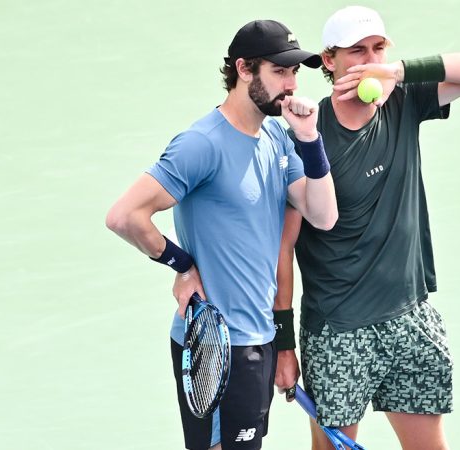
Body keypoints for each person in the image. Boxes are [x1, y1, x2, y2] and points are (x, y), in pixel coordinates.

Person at [106, 19, 338, 450]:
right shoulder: (201, 144)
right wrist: (182, 265)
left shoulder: (277, 135)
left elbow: (323, 215)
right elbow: (125, 216)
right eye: (279, 71)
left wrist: (309, 138)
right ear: (244, 69)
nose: (290, 85)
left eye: (293, 73)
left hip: (258, 337)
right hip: (216, 345)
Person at [274, 6, 460, 450]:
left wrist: (396, 71)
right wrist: (284, 345)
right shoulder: (304, 137)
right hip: (339, 331)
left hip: (411, 317)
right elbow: (283, 248)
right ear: (329, 60)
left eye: (378, 49)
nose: (369, 60)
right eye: (357, 52)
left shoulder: (403, 100)